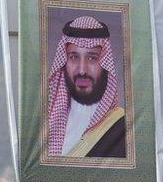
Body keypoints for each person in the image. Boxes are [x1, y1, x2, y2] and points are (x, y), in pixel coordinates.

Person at [46, 15, 126, 158]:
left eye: (92, 58)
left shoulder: (121, 125)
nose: (82, 70)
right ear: (64, 62)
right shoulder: (47, 121)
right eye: (74, 57)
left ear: (105, 65)